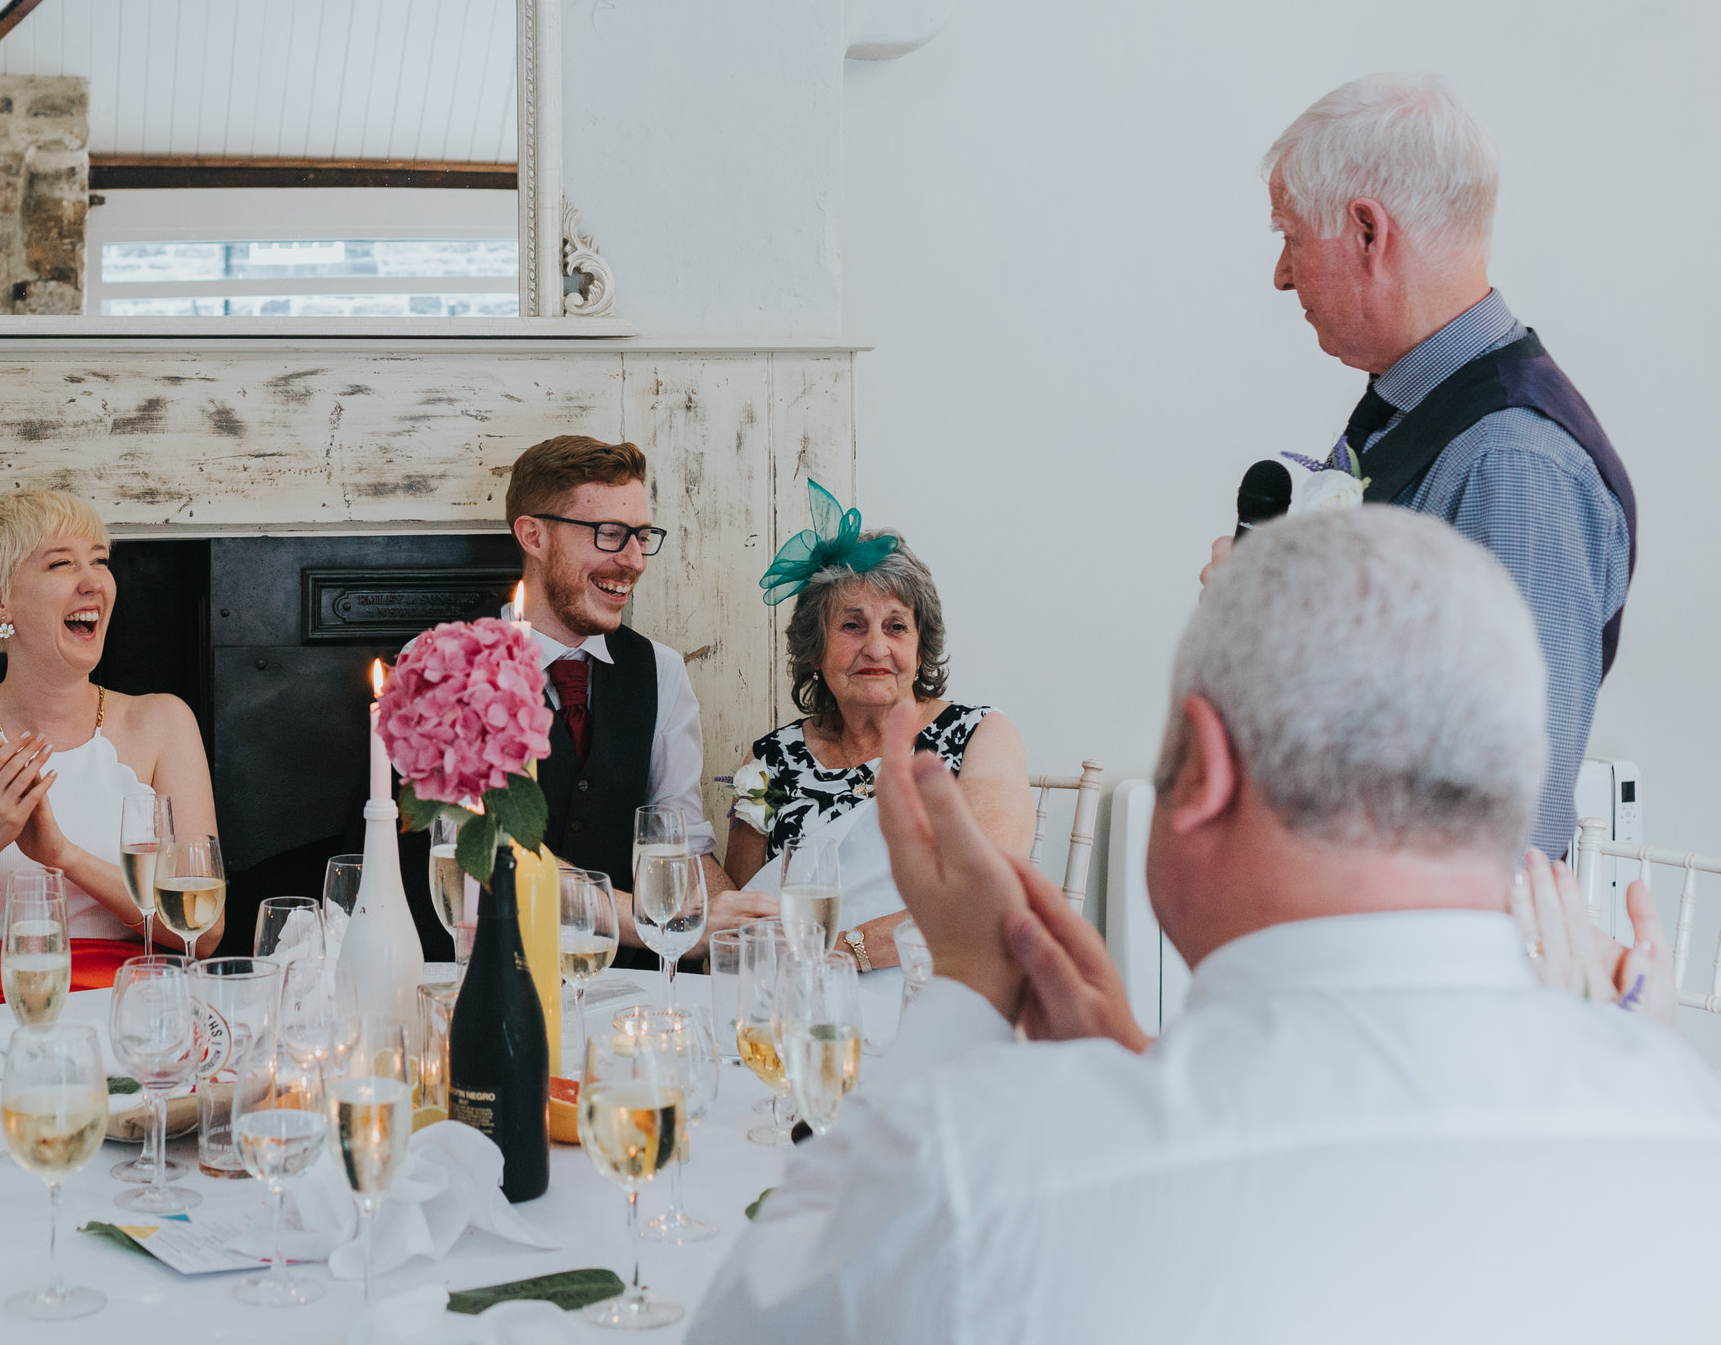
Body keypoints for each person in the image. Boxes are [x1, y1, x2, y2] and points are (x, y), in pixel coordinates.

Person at [695, 507, 1721, 1342]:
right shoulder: (1685, 1122)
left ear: (1204, 769)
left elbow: (753, 1317)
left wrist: (965, 991)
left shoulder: (994, 1167)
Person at [1202, 74, 1633, 855]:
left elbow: (1511, 817)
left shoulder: (1513, 463)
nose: (1282, 274)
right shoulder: (1419, 413)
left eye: (1290, 236)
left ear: (1369, 233)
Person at [0, 488, 221, 996]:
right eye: (61, 564)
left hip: (131, 1005)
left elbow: (205, 932)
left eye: (100, 561)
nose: (93, 583)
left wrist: (62, 855)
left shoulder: (164, 722)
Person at [725, 485, 1031, 977]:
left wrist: (846, 952)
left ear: (920, 646)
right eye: (851, 625)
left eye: (895, 627)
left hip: (937, 987)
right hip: (796, 999)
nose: (875, 648)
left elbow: (987, 891)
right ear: (814, 649)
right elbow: (745, 914)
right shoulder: (769, 762)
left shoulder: (980, 735)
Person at [502, 436, 772, 965]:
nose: (634, 561)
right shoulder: (447, 664)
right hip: (480, 969)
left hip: (619, 984)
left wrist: (753, 933)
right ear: (534, 536)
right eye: (609, 535)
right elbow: (495, 853)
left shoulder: (663, 672)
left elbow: (683, 846)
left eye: (642, 536)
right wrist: (665, 925)